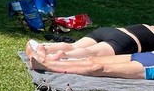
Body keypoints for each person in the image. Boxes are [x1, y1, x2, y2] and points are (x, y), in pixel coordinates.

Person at [26, 25, 154, 62]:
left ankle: (43, 48)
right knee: (90, 52)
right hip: (127, 42)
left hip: (109, 30)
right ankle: (59, 56)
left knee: (73, 45)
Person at [29, 50, 154, 80]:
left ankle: (46, 66)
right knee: (92, 60)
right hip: (148, 55)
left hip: (149, 68)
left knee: (98, 68)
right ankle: (50, 61)